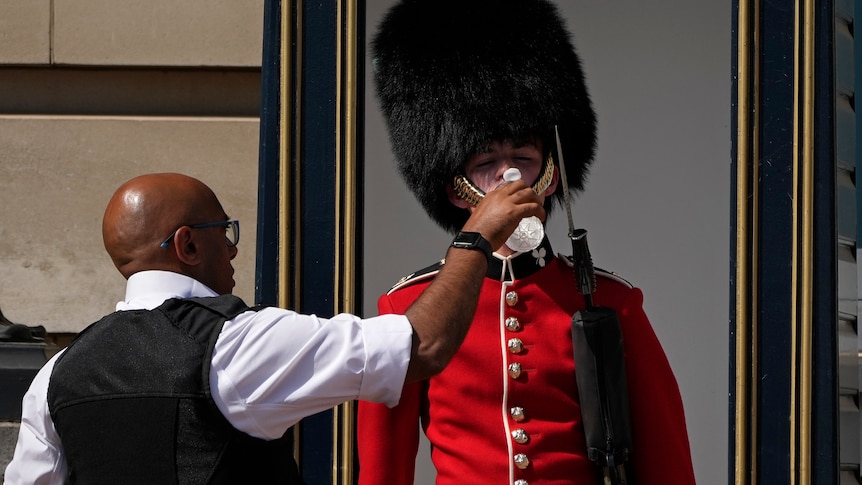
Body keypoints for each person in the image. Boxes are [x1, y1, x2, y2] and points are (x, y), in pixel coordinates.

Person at [3, 172, 544, 484]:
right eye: (224, 231)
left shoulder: (56, 376)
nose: (234, 247)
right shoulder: (236, 345)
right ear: (189, 244)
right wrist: (474, 238)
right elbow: (421, 345)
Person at [357, 0, 697, 484]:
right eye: (485, 164)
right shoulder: (405, 309)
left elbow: (668, 466)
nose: (509, 175)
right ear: (458, 189)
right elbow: (382, 471)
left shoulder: (613, 304)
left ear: (551, 175)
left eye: (523, 156)